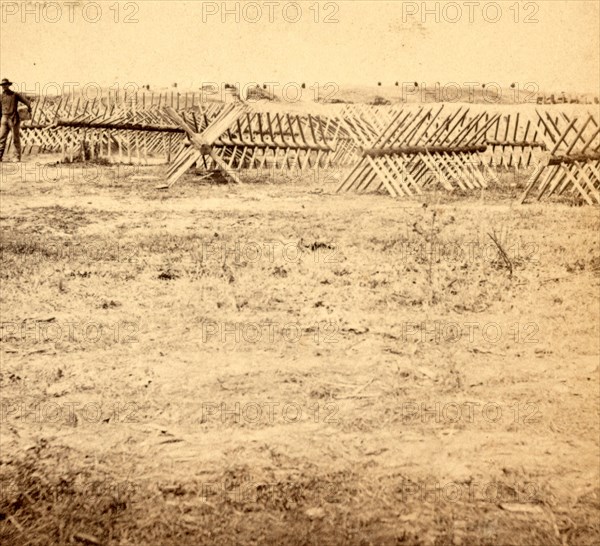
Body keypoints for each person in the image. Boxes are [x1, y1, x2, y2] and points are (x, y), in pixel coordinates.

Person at [0, 78, 32, 162]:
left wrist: (29, 110)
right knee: (1, 138)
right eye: (2, 85)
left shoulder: (15, 95)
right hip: (4, 118)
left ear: (8, 85)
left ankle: (16, 157)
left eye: (5, 85)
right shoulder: (1, 96)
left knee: (15, 138)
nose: (4, 86)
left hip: (13, 118)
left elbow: (27, 102)